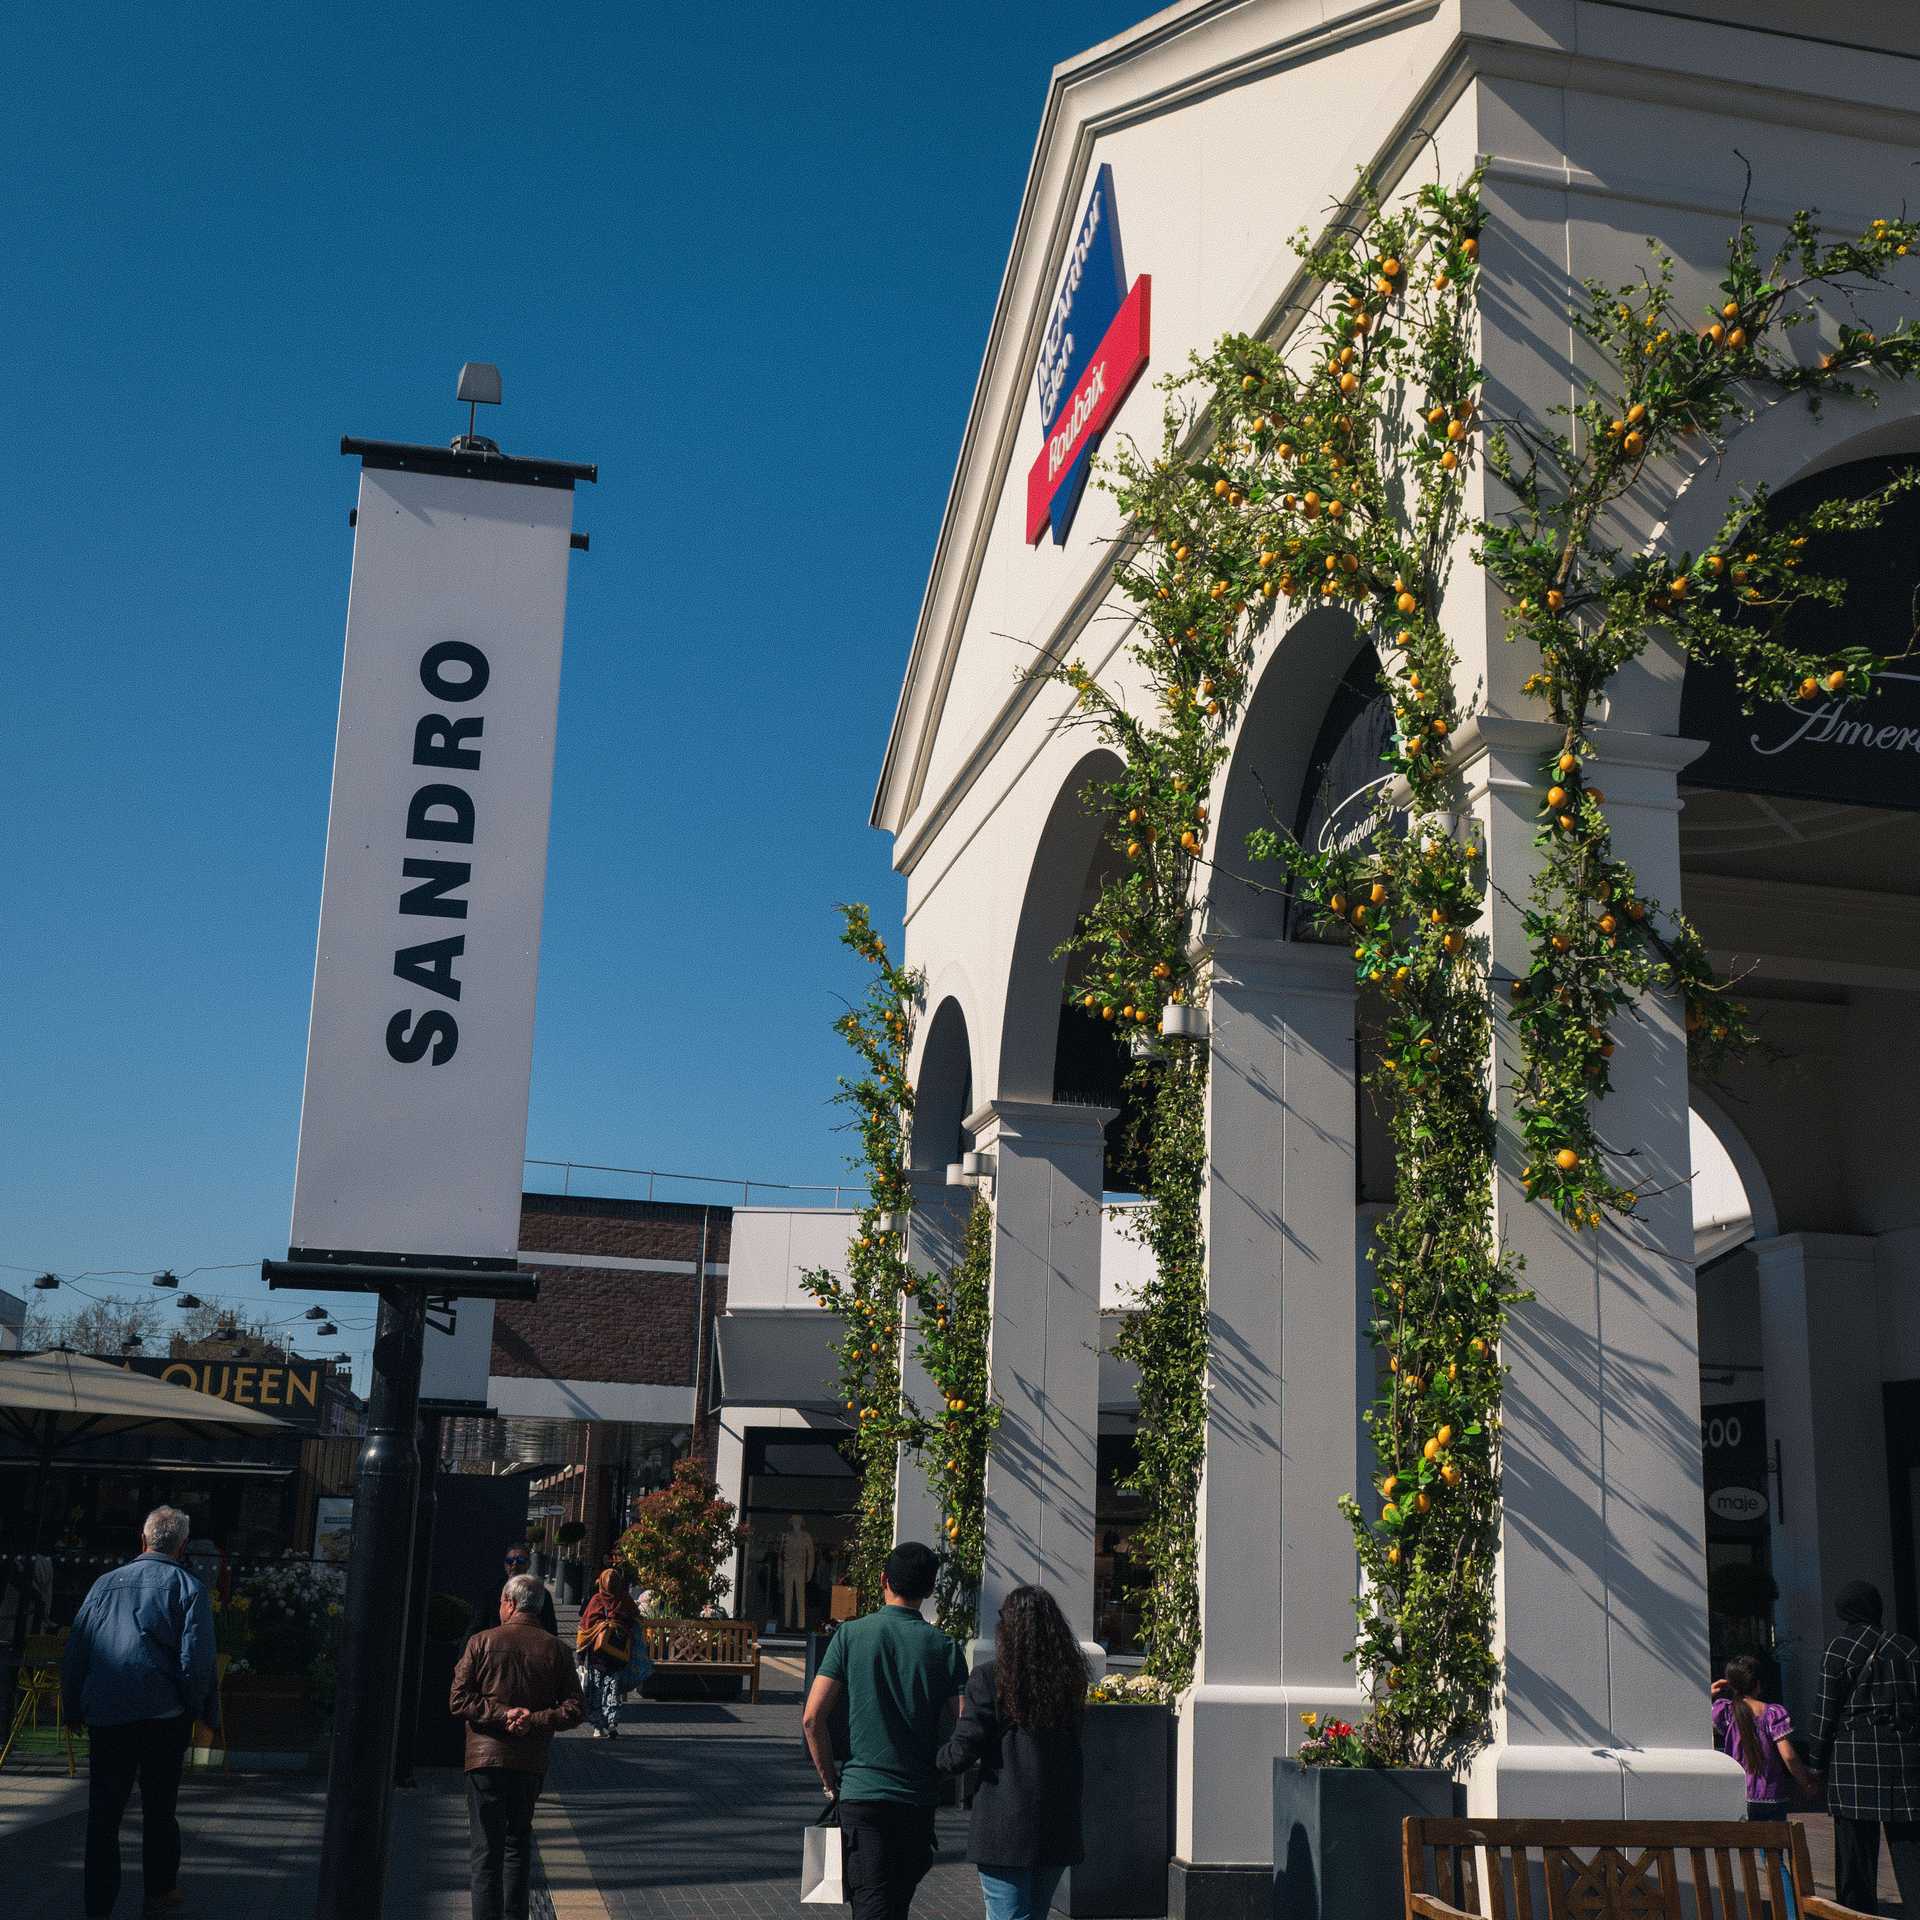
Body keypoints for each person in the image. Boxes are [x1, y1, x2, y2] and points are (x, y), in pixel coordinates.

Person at [60, 1505, 218, 1919]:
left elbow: (78, 1649)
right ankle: (159, 1892)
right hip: (163, 1715)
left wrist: (73, 1705)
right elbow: (196, 1660)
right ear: (182, 1546)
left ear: (143, 1539)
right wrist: (195, 1708)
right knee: (160, 1808)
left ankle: (98, 1904)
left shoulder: (104, 1585)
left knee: (104, 1814)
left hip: (109, 1713)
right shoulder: (189, 1588)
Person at [803, 1542, 966, 1920]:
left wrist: (830, 1781)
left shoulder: (850, 1636)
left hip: (862, 1794)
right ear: (930, 1589)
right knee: (896, 1903)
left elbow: (812, 1718)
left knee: (872, 1905)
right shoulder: (945, 1647)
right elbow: (965, 1724)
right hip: (916, 1798)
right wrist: (938, 1771)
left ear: (883, 1580)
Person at [938, 1585, 1087, 1920]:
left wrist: (928, 1764)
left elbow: (964, 1748)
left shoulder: (990, 1679)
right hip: (1056, 1823)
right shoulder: (1070, 1682)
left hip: (1004, 1827)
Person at [450, 1572, 584, 1920]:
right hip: (529, 1762)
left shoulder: (481, 1642)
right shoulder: (556, 1649)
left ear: (509, 1603)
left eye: (501, 1601)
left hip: (484, 1760)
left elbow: (458, 1699)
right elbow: (574, 1709)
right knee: (517, 1845)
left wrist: (500, 1714)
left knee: (485, 1851)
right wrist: (533, 1719)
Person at [1806, 1580, 1920, 1915]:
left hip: (1854, 1758)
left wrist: (1815, 1763)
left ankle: (1855, 1914)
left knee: (1855, 1852)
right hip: (1904, 1757)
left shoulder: (1839, 1649)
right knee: (1910, 1849)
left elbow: (1825, 1710)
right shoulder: (1907, 1648)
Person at [1711, 1654, 1816, 1819]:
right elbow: (1789, 1756)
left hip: (1738, 1794)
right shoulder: (1773, 1713)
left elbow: (1698, 1719)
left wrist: (1709, 1693)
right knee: (1773, 1836)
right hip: (1770, 1794)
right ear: (1758, 1684)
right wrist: (1805, 1782)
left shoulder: (1725, 1711)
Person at [575, 1566, 640, 1738]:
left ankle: (598, 1726)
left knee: (596, 1690)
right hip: (618, 1656)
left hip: (598, 1657)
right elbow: (636, 1620)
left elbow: (585, 1629)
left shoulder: (596, 1600)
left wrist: (580, 1657)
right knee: (613, 1689)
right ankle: (612, 1722)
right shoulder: (624, 1599)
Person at [499, 1545, 557, 1635]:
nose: (514, 1564)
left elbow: (550, 1628)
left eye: (520, 1560)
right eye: (509, 1560)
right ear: (505, 1564)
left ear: (528, 1564)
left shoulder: (541, 1593)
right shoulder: (493, 1592)